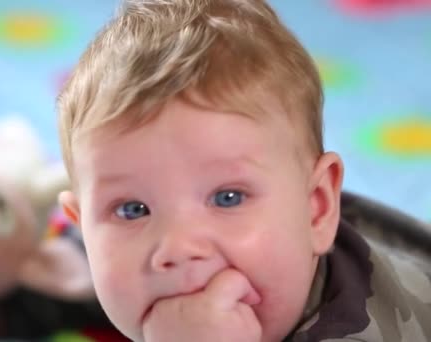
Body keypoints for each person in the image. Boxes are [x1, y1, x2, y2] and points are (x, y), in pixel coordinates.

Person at [55, 0, 431, 341]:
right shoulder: (148, 277)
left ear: (316, 208)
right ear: (83, 227)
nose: (179, 248)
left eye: (227, 198)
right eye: (133, 209)